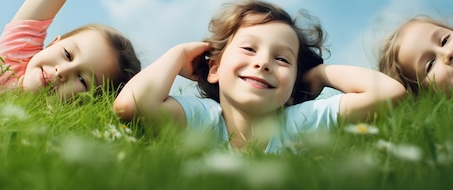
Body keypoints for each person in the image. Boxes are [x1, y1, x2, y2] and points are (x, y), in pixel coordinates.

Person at [113, 0, 405, 153]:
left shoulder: (300, 122)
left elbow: (389, 92)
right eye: (249, 49)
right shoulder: (202, 117)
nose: (263, 63)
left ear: (293, 87)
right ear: (214, 68)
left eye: (281, 59)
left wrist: (317, 75)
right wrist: (178, 55)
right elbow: (131, 105)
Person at [0, 0, 141, 99]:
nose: (63, 71)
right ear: (53, 43)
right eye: (67, 55)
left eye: (82, 80)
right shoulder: (17, 53)